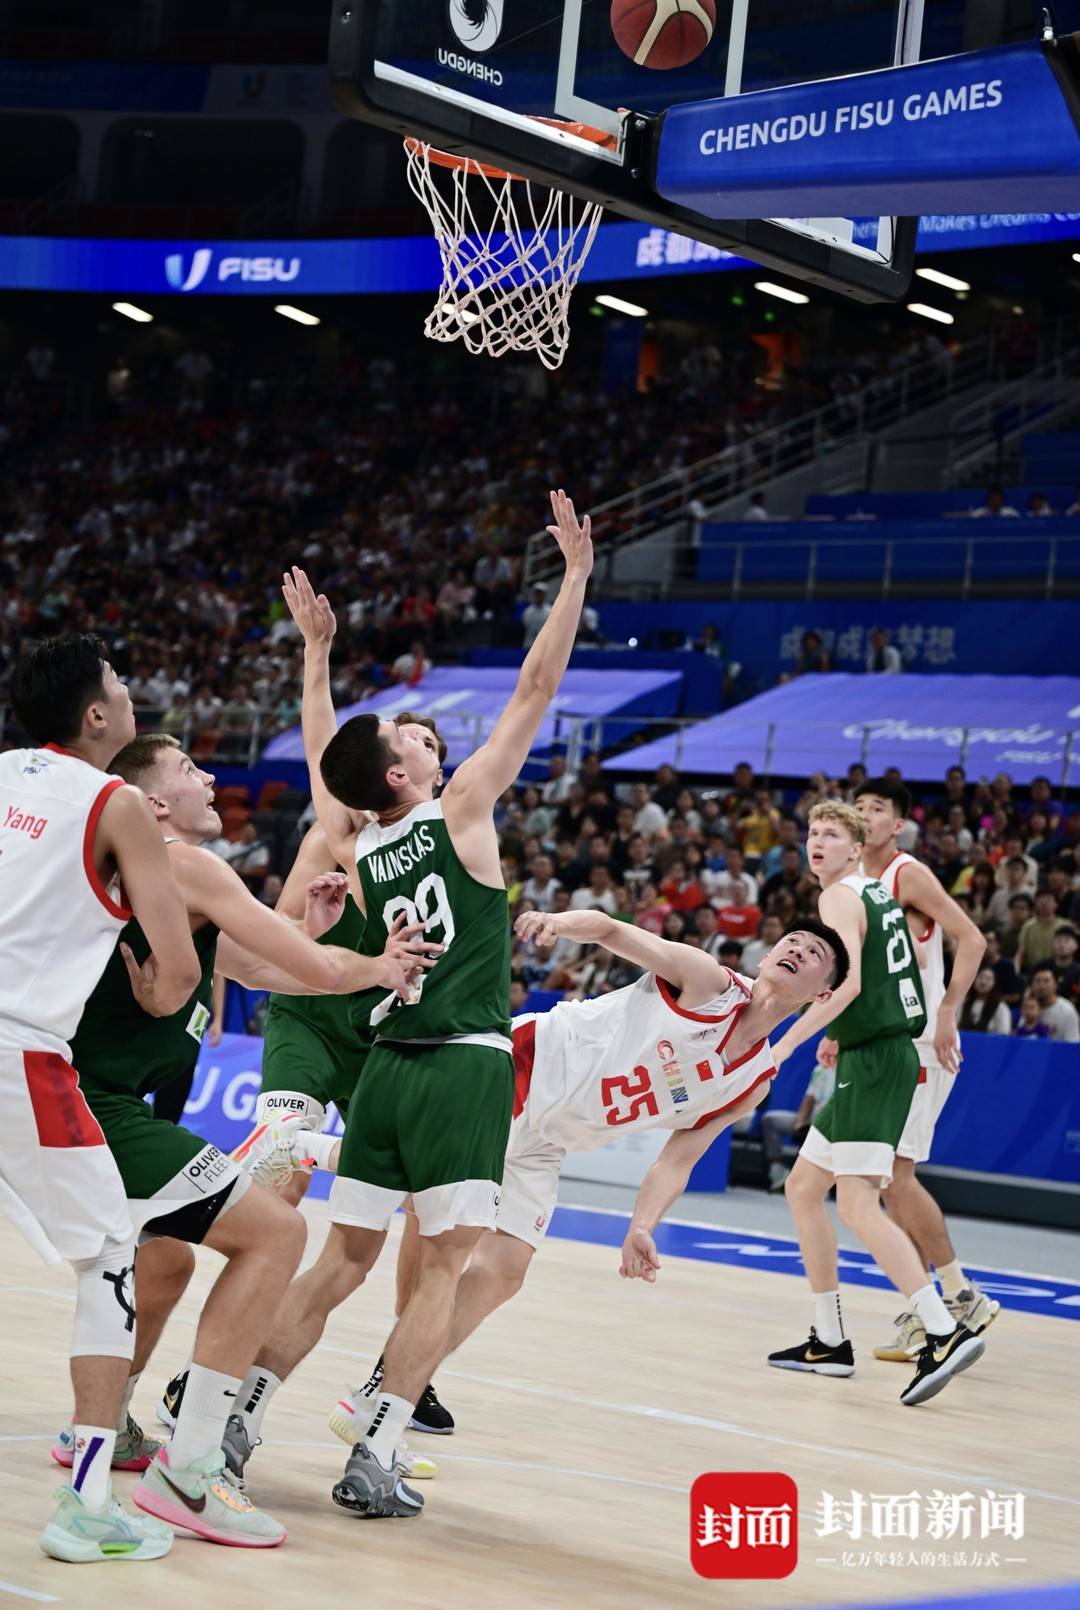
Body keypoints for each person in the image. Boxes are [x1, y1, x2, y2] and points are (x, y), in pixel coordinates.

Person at [226, 489, 593, 1522]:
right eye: (412, 737)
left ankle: (236, 1417)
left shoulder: (358, 840)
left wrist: (316, 657)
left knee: (341, 1259)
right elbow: (537, 683)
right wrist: (574, 577)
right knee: (440, 1271)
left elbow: (324, 757)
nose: (433, 740)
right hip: (463, 1061)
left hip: (384, 1069)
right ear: (403, 769)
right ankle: (375, 1450)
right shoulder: (462, 807)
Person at [53, 733, 433, 1546]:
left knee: (165, 1260)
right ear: (155, 804)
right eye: (191, 770)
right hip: (92, 1106)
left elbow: (265, 970)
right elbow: (318, 974)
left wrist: (312, 934)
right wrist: (382, 962)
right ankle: (191, 1469)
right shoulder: (184, 865)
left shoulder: (156, 883)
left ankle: (106, 1423)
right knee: (277, 1232)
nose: (211, 777)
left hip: (91, 1100)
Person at [324, 909, 848, 1448]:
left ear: (823, 995)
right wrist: (556, 923)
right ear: (766, 954)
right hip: (522, 1069)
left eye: (815, 954)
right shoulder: (707, 982)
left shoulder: (753, 1083)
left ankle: (397, 1378)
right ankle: (392, 1386)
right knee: (441, 1215)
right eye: (793, 940)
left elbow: (677, 1160)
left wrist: (641, 1226)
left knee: (505, 1269)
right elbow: (610, 930)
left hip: (551, 1138)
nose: (798, 950)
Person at [2, 635, 201, 1563]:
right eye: (119, 683)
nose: (129, 693)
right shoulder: (115, 802)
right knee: (111, 1258)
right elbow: (179, 968)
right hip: (20, 1053)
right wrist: (161, 995)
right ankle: (85, 1503)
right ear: (95, 715)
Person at [766, 802, 985, 1407]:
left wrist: (783, 1044)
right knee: (803, 1187)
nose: (817, 842)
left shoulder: (838, 898)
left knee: (859, 1202)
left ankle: (942, 1329)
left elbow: (854, 983)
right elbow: (910, 967)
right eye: (812, 832)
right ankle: (829, 1340)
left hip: (877, 1060)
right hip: (880, 1050)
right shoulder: (877, 894)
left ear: (856, 849)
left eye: (832, 835)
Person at [851, 778, 998, 1363]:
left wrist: (947, 1009)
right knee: (886, 1185)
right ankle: (930, 1308)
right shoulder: (853, 882)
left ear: (897, 826)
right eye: (858, 806)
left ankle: (961, 1298)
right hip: (884, 1045)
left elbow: (973, 938)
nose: (865, 815)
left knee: (894, 1179)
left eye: (877, 808)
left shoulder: (906, 875)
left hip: (921, 1045)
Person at [761, 1060, 836, 1193]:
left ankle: (818, 1184)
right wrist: (800, 1123)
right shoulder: (820, 1070)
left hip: (833, 1128)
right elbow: (809, 1098)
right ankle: (778, 1171)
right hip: (811, 1121)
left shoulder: (853, 1073)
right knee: (770, 1120)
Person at [1029, 963, 1080, 1043]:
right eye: (1037, 981)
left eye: (1046, 981)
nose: (1041, 986)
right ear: (1032, 986)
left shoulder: (1068, 1011)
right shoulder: (1028, 1007)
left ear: (1055, 985)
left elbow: (1073, 1045)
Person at [959, 967, 1011, 1035]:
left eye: (988, 979)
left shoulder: (1001, 1007)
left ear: (995, 983)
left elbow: (1004, 1034)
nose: (983, 982)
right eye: (980, 977)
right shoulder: (962, 1003)